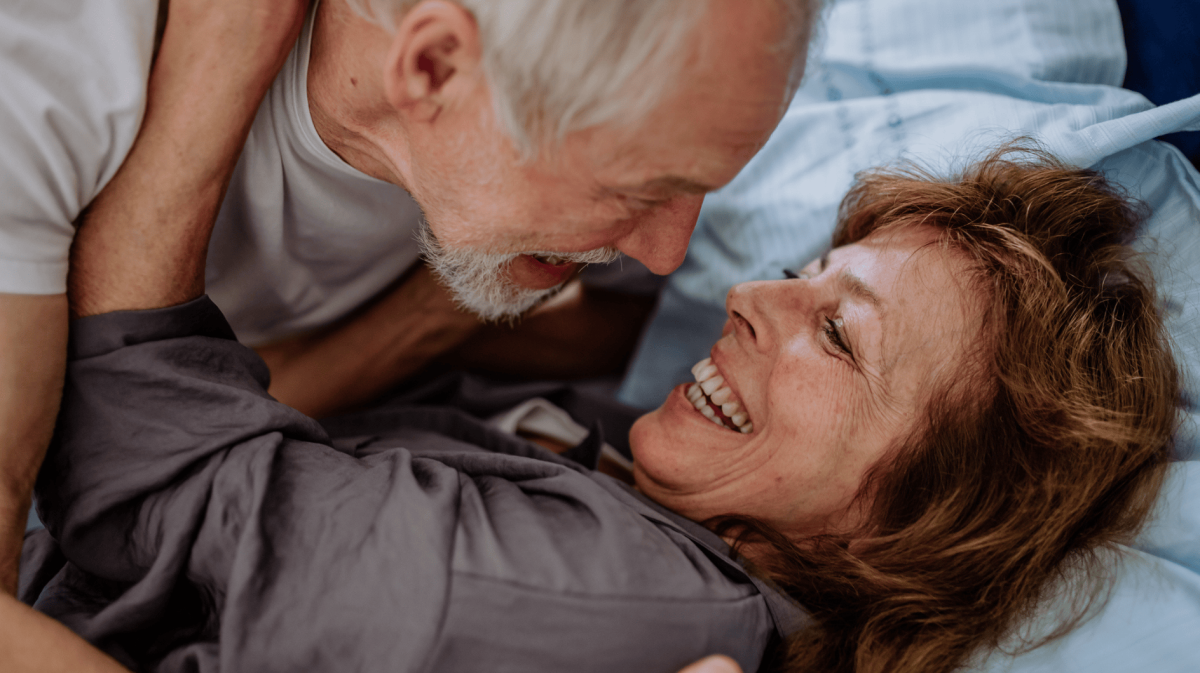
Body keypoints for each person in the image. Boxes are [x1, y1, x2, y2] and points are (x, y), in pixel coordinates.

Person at [19, 139, 1179, 673]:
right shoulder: (641, 497)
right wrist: (457, 316)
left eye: (838, 333)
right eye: (807, 271)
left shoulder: (620, 597)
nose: (748, 296)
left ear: (907, 523)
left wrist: (213, 74)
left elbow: (155, 477)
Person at [0, 0, 815, 600]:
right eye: (641, 189)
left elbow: (615, 328)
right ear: (432, 67)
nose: (669, 251)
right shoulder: (45, 79)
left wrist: (443, 313)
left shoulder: (624, 98)